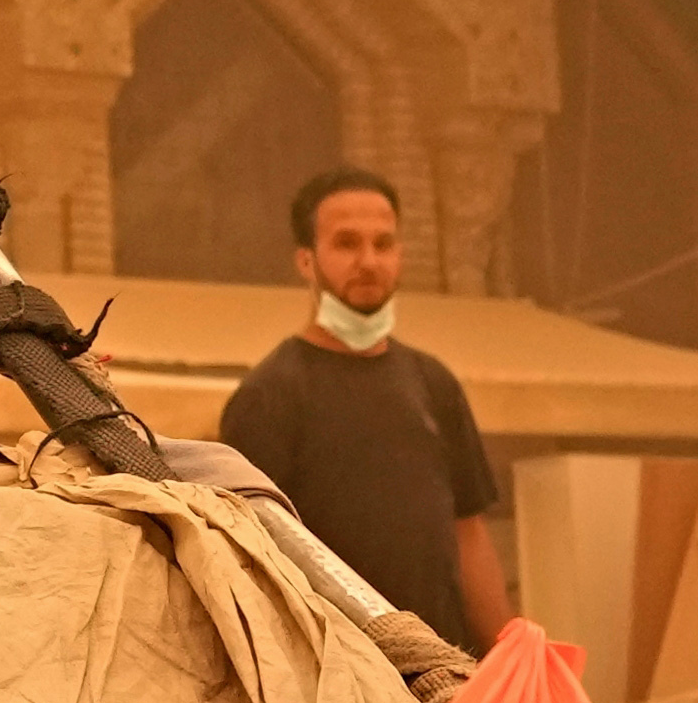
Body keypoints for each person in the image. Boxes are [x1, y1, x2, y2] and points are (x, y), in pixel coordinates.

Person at [215, 163, 508, 650]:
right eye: (347, 243)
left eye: (383, 243)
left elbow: (469, 533)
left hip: (444, 670)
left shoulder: (433, 383)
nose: (369, 261)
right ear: (306, 261)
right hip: (337, 673)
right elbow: (249, 556)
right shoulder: (269, 396)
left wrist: (507, 657)